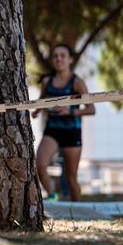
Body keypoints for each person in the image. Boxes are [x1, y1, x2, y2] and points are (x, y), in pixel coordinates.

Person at [33, 44, 95, 201]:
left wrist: (71, 111)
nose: (58, 58)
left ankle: (79, 212)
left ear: (70, 60)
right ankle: (53, 196)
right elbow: (42, 101)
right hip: (52, 130)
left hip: (72, 132)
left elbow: (91, 109)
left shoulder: (77, 82)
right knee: (40, 165)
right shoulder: (47, 81)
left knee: (71, 179)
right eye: (55, 56)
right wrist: (37, 110)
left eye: (62, 55)